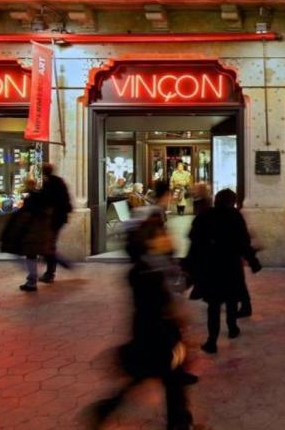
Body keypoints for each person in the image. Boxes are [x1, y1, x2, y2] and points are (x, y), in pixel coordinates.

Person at [88, 179, 195, 430]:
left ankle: (109, 408)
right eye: (160, 235)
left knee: (151, 374)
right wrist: (175, 327)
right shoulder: (148, 272)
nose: (166, 237)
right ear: (150, 241)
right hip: (157, 332)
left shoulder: (149, 267)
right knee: (167, 374)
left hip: (151, 331)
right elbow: (161, 304)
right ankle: (178, 421)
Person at [185, 189, 254, 354]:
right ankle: (232, 328)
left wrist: (190, 264)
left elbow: (194, 239)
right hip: (230, 266)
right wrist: (253, 261)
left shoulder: (205, 215)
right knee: (231, 301)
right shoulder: (235, 216)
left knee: (213, 306)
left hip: (211, 267)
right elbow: (244, 242)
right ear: (233, 201)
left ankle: (212, 341)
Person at [0, 177, 55, 292]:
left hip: (32, 234)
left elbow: (25, 217)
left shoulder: (31, 199)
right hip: (39, 233)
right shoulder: (41, 198)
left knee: (31, 256)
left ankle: (32, 281)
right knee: (39, 254)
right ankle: (39, 277)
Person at [39, 163, 74, 284]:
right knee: (50, 245)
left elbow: (44, 202)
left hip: (53, 219)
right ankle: (54, 269)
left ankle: (53, 271)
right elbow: (67, 200)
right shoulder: (59, 182)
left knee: (49, 246)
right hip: (60, 218)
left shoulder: (49, 184)